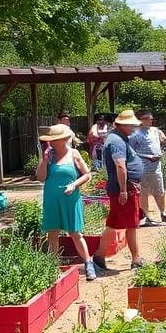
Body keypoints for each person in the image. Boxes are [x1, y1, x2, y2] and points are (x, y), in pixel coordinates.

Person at [36, 124, 95, 281]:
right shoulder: (48, 156)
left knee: (75, 233)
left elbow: (87, 175)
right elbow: (41, 177)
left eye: (55, 140)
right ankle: (52, 268)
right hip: (51, 199)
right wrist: (44, 160)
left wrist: (74, 184)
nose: (52, 143)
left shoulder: (74, 154)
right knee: (52, 234)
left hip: (70, 199)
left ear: (64, 139)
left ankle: (88, 263)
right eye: (51, 140)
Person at [93, 110, 144, 271]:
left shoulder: (119, 138)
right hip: (126, 188)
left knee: (114, 223)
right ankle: (136, 259)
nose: (133, 127)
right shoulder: (116, 141)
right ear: (120, 124)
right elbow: (120, 166)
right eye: (130, 125)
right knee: (131, 224)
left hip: (126, 187)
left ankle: (99, 256)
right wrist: (123, 190)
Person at [130, 110, 166, 225]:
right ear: (141, 120)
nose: (150, 121)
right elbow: (132, 151)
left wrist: (161, 154)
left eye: (151, 119)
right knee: (143, 193)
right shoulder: (135, 134)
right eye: (147, 118)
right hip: (142, 168)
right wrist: (147, 156)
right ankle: (146, 216)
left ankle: (163, 213)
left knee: (160, 191)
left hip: (156, 167)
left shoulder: (156, 131)